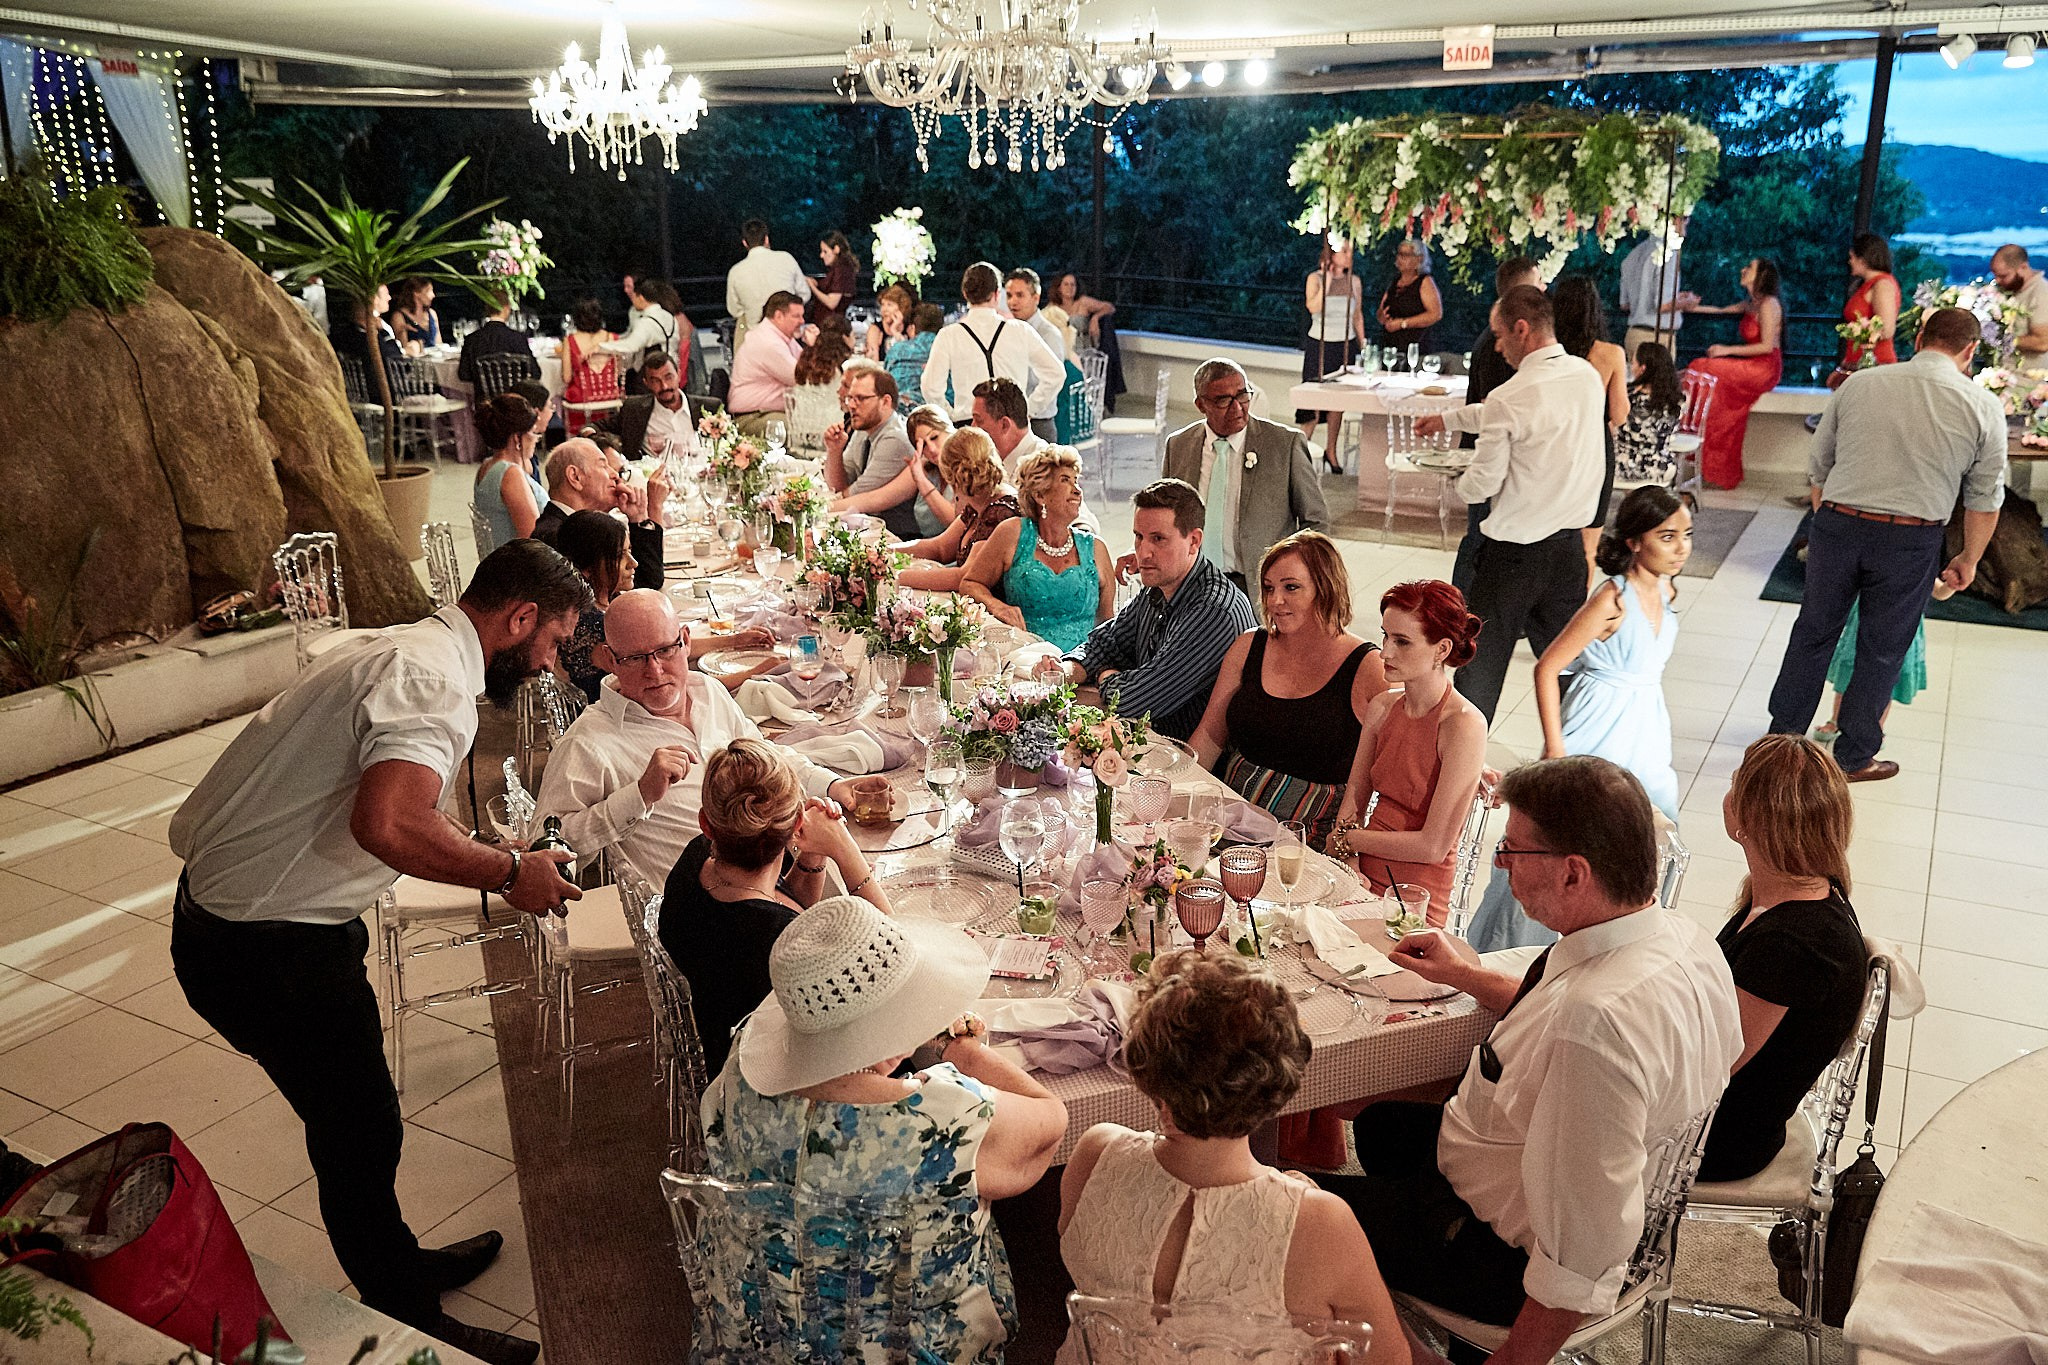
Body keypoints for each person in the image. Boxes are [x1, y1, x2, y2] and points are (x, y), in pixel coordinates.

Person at [169, 541, 594, 1365]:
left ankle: (399, 1264)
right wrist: (510, 871)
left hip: (250, 920)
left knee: (359, 1125)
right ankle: (406, 1311)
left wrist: (477, 844)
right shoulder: (434, 680)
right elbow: (390, 822)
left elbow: (395, 809)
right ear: (519, 618)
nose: (547, 667)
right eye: (549, 645)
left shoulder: (408, 646)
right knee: (358, 1130)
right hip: (265, 945)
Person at [1318, 756, 1743, 1354]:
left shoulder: (1593, 1026)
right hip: (1524, 1176)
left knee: (1288, 1208)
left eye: (1512, 851)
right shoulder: (1688, 939)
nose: (1501, 865)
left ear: (1574, 874)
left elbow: (1583, 1250)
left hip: (1495, 1255)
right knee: (1380, 1122)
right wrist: (1464, 975)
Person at [707, 897, 1067, 1363]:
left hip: (763, 1330)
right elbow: (1051, 1120)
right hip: (907, 1347)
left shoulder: (740, 1069)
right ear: (887, 1033)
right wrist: (960, 1050)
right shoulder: (942, 1117)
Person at [1056, 951, 1410, 1365]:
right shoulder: (1322, 1225)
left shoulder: (1096, 1153)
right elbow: (1390, 1359)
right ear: (1274, 1086)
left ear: (1149, 1073)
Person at [1766, 306, 2007, 783]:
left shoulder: (1861, 384)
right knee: (1882, 649)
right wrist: (1969, 559)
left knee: (1812, 635)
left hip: (1839, 523)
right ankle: (1853, 758)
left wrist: (1828, 522)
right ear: (1970, 351)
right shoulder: (1982, 406)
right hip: (1911, 537)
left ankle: (1780, 745)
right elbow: (1984, 498)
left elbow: (1820, 464)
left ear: (1919, 337)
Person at [536, 591, 853, 891]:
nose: (655, 670)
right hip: (715, 915)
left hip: (779, 868)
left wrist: (833, 786)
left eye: (665, 650)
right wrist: (639, 796)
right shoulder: (589, 742)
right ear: (610, 659)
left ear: (685, 641)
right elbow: (543, 847)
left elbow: (769, 759)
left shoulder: (708, 691)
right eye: (635, 658)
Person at [1416, 285, 1606, 723]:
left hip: (1513, 560)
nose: (1497, 347)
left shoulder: (1512, 395)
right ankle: (1578, 760)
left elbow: (1483, 483)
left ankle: (1463, 770)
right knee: (1568, 669)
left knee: (1477, 671)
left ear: (1522, 330)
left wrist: (1452, 481)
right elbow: (1507, 414)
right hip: (1570, 553)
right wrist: (1446, 419)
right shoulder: (1585, 377)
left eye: (1500, 336)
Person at [1697, 734, 1869, 1181]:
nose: (1726, 794)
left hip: (1718, 1140)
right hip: (1722, 1116)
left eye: (1734, 783)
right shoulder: (1804, 891)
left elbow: (1707, 1065)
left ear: (1750, 820)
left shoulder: (1792, 944)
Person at [658, 739, 886, 1077]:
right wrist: (844, 848)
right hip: (789, 1083)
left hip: (732, 1056)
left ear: (706, 824)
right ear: (795, 825)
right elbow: (898, 957)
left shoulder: (696, 859)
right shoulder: (782, 940)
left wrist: (813, 854)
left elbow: (780, 903)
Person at [1190, 532, 1390, 848]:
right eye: (1269, 588)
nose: (1275, 601)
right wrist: (1180, 803)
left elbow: (1415, 730)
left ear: (1326, 589)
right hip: (1228, 822)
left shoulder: (1367, 667)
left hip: (1305, 844)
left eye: (1291, 587)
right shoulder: (1248, 646)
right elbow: (1209, 738)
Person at [1327, 581, 1487, 918]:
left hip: (1416, 896)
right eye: (1386, 636)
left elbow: (1432, 846)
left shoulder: (1463, 724)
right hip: (1359, 873)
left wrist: (1351, 840)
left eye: (1402, 642)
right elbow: (1354, 798)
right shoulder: (1382, 707)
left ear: (1442, 650)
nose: (1384, 652)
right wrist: (1350, 862)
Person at [1533, 486, 1690, 816]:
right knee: (1582, 821)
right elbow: (1547, 667)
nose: (1681, 548)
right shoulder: (1611, 600)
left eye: (1686, 535)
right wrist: (1556, 748)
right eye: (1667, 537)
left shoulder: (1667, 590)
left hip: (1647, 723)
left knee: (1653, 817)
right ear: (1634, 542)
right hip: (1598, 718)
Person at [1060, 479, 1257, 741]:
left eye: (1158, 539)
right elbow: (1106, 642)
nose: (1144, 552)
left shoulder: (1213, 610)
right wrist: (1067, 671)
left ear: (1194, 541)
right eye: (1139, 537)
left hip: (1197, 767)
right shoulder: (1161, 586)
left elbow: (1135, 703)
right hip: (1155, 743)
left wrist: (1105, 676)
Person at [1162, 358, 1330, 595]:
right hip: (1190, 584)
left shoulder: (1284, 445)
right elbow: (1164, 518)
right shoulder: (1179, 446)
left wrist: (1294, 575)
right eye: (1223, 400)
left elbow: (1316, 521)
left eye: (1243, 395)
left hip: (1258, 587)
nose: (1238, 408)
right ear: (1201, 405)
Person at [961, 445, 1113, 651]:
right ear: (1040, 495)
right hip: (1025, 658)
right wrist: (998, 606)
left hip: (1083, 666)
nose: (1077, 490)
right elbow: (970, 584)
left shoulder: (1095, 548)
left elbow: (1107, 624)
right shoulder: (1012, 533)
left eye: (1076, 481)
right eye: (1065, 480)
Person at [1450, 256, 1543, 593]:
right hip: (1488, 453)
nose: (1544, 289)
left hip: (1494, 453)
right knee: (1479, 536)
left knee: (1485, 536)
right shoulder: (1496, 344)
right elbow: (1491, 409)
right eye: (1538, 282)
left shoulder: (1501, 340)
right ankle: (1460, 608)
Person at [1553, 275, 1632, 569]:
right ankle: (1576, 610)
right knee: (1588, 545)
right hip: (1595, 448)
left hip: (1556, 444)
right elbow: (1620, 414)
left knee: (1550, 533)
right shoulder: (1610, 354)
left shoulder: (1551, 352)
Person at [1684, 257, 1784, 489]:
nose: (1743, 269)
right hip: (1752, 364)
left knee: (1701, 366)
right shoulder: (1752, 303)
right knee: (1702, 371)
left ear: (1761, 276)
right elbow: (1720, 310)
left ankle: (1691, 432)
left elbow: (1767, 346)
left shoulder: (1769, 304)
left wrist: (1725, 350)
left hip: (1764, 367)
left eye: (1749, 267)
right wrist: (1690, 307)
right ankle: (1700, 440)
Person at [921, 261, 1065, 422]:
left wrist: (951, 418)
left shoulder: (949, 335)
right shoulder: (1020, 330)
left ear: (965, 293)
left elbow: (930, 388)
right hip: (1011, 424)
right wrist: (1029, 409)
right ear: (997, 294)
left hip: (970, 424)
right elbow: (1056, 373)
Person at [532, 437, 666, 593]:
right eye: (603, 465)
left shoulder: (576, 527)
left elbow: (648, 581)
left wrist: (638, 518)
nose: (615, 475)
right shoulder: (556, 536)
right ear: (575, 477)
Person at [898, 426, 1021, 593]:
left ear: (950, 476)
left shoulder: (1000, 511)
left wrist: (896, 576)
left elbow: (964, 576)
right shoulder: (978, 502)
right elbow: (939, 548)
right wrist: (883, 550)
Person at [823, 367, 922, 539]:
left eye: (860, 398)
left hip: (898, 534)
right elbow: (837, 488)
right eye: (850, 398)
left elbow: (854, 498)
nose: (851, 405)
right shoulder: (864, 427)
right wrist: (834, 451)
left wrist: (814, 508)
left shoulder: (895, 439)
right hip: (866, 527)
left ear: (885, 401)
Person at [1813, 604, 1926, 749]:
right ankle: (1836, 719)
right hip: (1866, 615)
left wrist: (1951, 585)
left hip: (1904, 621)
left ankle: (1876, 727)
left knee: (1887, 682)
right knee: (1848, 673)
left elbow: (1939, 591)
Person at [1297, 240, 1368, 472]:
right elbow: (1313, 307)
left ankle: (1331, 451)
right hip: (1320, 343)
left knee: (1338, 402)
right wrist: (1327, 281)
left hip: (1345, 345)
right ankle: (1299, 453)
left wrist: (1363, 343)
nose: (1349, 255)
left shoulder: (1354, 281)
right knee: (1313, 404)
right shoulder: (1314, 278)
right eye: (1344, 251)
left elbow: (1357, 315)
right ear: (1332, 254)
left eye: (1350, 251)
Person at [554, 510, 636, 704]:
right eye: (619, 556)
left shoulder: (598, 603)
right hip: (613, 720)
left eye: (629, 551)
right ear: (587, 567)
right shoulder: (590, 623)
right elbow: (663, 654)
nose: (633, 563)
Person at [472, 392, 546, 549]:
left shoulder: (486, 466)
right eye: (532, 432)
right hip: (520, 565)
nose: (536, 439)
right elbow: (533, 538)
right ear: (517, 438)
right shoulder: (510, 474)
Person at [729, 291, 811, 430]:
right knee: (807, 430)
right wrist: (813, 348)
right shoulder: (768, 342)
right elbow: (803, 379)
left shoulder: (782, 338)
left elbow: (808, 369)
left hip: (770, 413)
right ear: (779, 316)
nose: (802, 321)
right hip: (752, 417)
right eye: (796, 316)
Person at [726, 218, 810, 354]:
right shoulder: (786, 258)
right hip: (788, 336)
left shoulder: (735, 271)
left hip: (756, 339)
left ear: (745, 243)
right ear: (766, 239)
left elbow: (735, 310)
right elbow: (804, 294)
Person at [607, 350, 705, 464]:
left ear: (678, 374)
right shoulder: (634, 410)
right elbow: (598, 426)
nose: (664, 386)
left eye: (668, 377)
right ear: (646, 383)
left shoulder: (708, 408)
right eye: (655, 381)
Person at [1618, 218, 1696, 359]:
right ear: (1674, 220)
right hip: (1658, 339)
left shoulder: (1634, 254)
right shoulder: (1667, 253)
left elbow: (1625, 305)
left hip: (1633, 335)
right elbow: (1661, 304)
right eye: (1684, 219)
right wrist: (1687, 302)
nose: (1686, 224)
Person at [1004, 267, 1067, 439]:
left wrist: (1028, 410)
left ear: (1036, 298)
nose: (1012, 302)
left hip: (1038, 422)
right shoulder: (1007, 330)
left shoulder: (1049, 334)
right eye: (1009, 295)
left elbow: (1052, 379)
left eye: (1020, 295)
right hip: (1009, 421)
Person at [1612, 342, 1685, 486]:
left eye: (1633, 363)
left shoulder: (1629, 397)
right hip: (1663, 466)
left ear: (1642, 369)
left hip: (1629, 466)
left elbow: (1615, 424)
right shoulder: (1678, 400)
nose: (1631, 368)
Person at [1832, 233, 1902, 383]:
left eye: (1852, 257)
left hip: (1875, 363)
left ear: (1863, 259)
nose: (1849, 261)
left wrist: (1861, 332)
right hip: (1856, 361)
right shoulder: (1865, 284)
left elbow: (1886, 329)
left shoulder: (1882, 285)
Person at [1053, 270, 1124, 409]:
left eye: (1073, 284)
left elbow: (1109, 307)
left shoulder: (1083, 302)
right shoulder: (1053, 308)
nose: (1070, 288)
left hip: (1085, 350)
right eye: (1066, 284)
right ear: (1059, 287)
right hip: (1064, 351)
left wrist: (1095, 318)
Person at [599, 277, 684, 389]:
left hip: (654, 374)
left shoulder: (647, 322)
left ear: (641, 297)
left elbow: (631, 345)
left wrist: (599, 347)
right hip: (671, 370)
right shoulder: (668, 316)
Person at [1377, 236, 1443, 358]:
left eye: (1405, 255)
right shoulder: (1395, 281)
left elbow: (1435, 314)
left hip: (1416, 346)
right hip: (1391, 346)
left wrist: (1403, 323)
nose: (1400, 258)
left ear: (1419, 259)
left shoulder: (1425, 282)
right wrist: (1382, 317)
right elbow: (1382, 310)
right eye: (1399, 254)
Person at [971, 375, 1046, 482]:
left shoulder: (1044, 468)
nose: (973, 427)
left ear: (1004, 425)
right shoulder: (983, 461)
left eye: (979, 421)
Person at [456, 290, 537, 388]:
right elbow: (535, 373)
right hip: (515, 401)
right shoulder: (517, 338)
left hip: (484, 402)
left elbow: (464, 375)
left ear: (487, 309)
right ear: (507, 308)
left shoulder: (472, 339)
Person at [903, 403, 959, 537]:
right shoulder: (926, 467)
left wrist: (921, 481)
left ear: (949, 430)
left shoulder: (967, 467)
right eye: (924, 445)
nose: (932, 449)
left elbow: (954, 522)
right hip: (930, 546)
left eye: (934, 437)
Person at [1991, 243, 2048, 375]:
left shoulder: (2041, 293)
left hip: (2028, 382)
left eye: (2003, 276)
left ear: (2023, 267)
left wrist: (1999, 339)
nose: (1997, 281)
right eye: (1995, 275)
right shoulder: (2010, 290)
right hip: (2003, 374)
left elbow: (2043, 342)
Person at [332, 283, 407, 380]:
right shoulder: (369, 337)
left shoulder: (344, 334)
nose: (389, 298)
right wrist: (382, 331)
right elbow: (394, 358)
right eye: (386, 294)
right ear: (374, 300)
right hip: (380, 387)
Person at [558, 296, 620, 410]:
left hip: (581, 399)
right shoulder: (613, 338)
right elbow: (618, 371)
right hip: (610, 396)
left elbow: (566, 378)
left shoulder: (570, 340)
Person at [885, 301, 944, 405]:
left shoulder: (896, 350)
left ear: (913, 327)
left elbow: (884, 382)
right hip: (938, 413)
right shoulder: (946, 350)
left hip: (900, 409)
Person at [807, 230, 858, 324]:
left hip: (831, 325)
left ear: (836, 249)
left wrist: (812, 287)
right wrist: (817, 283)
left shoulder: (842, 269)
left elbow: (832, 303)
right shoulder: (837, 269)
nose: (821, 255)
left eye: (825, 251)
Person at [795, 312, 856, 386]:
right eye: (853, 335)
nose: (855, 340)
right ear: (845, 337)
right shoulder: (848, 365)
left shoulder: (807, 357)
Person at [862, 282, 917, 362]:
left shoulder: (910, 328)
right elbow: (873, 361)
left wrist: (894, 331)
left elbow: (911, 358)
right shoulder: (875, 329)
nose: (884, 309)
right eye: (883, 305)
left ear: (901, 308)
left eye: (889, 305)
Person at [387, 277, 440, 350]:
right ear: (416, 293)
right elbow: (402, 348)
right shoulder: (399, 316)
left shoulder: (432, 313)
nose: (433, 295)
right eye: (429, 291)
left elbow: (439, 343)